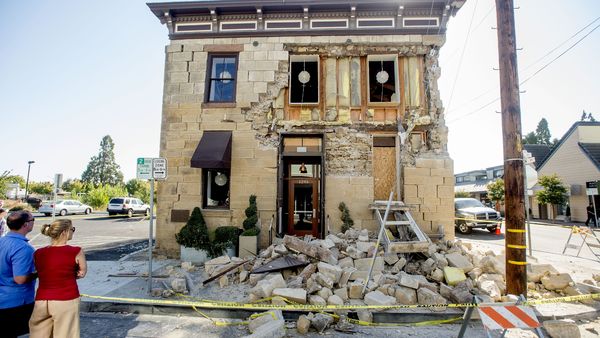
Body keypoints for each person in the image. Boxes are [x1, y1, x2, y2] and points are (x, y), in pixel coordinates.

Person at [29, 219, 87, 338]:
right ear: (64, 232)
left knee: (39, 334)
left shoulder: (39, 253)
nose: (73, 232)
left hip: (42, 300)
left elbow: (40, 271)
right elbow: (82, 273)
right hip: (66, 298)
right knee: (66, 333)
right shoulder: (76, 251)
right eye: (72, 229)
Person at [0, 211, 38, 338]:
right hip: (15, 302)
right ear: (26, 224)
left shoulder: (2, 241)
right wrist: (38, 273)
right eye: (33, 220)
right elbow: (20, 279)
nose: (33, 223)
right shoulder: (23, 248)